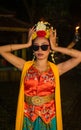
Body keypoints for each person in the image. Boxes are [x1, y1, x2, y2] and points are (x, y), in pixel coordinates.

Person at [0, 21, 81, 130]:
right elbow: (1, 50)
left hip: (49, 118)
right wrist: (26, 44)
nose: (39, 50)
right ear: (33, 50)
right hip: (28, 117)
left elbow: (79, 56)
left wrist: (55, 47)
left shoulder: (56, 69)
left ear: (49, 49)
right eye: (35, 47)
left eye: (44, 47)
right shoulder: (25, 66)